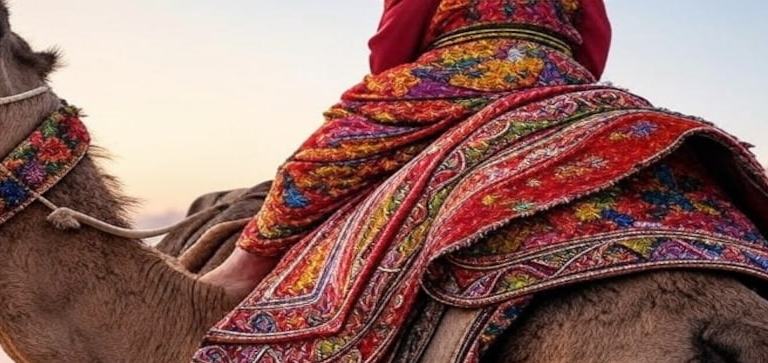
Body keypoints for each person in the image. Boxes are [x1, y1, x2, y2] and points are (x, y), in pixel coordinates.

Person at [200, 0, 612, 297]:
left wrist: (400, 83)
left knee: (317, 165)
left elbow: (395, 37)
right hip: (562, 78)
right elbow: (595, 39)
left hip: (466, 69)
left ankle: (246, 268)